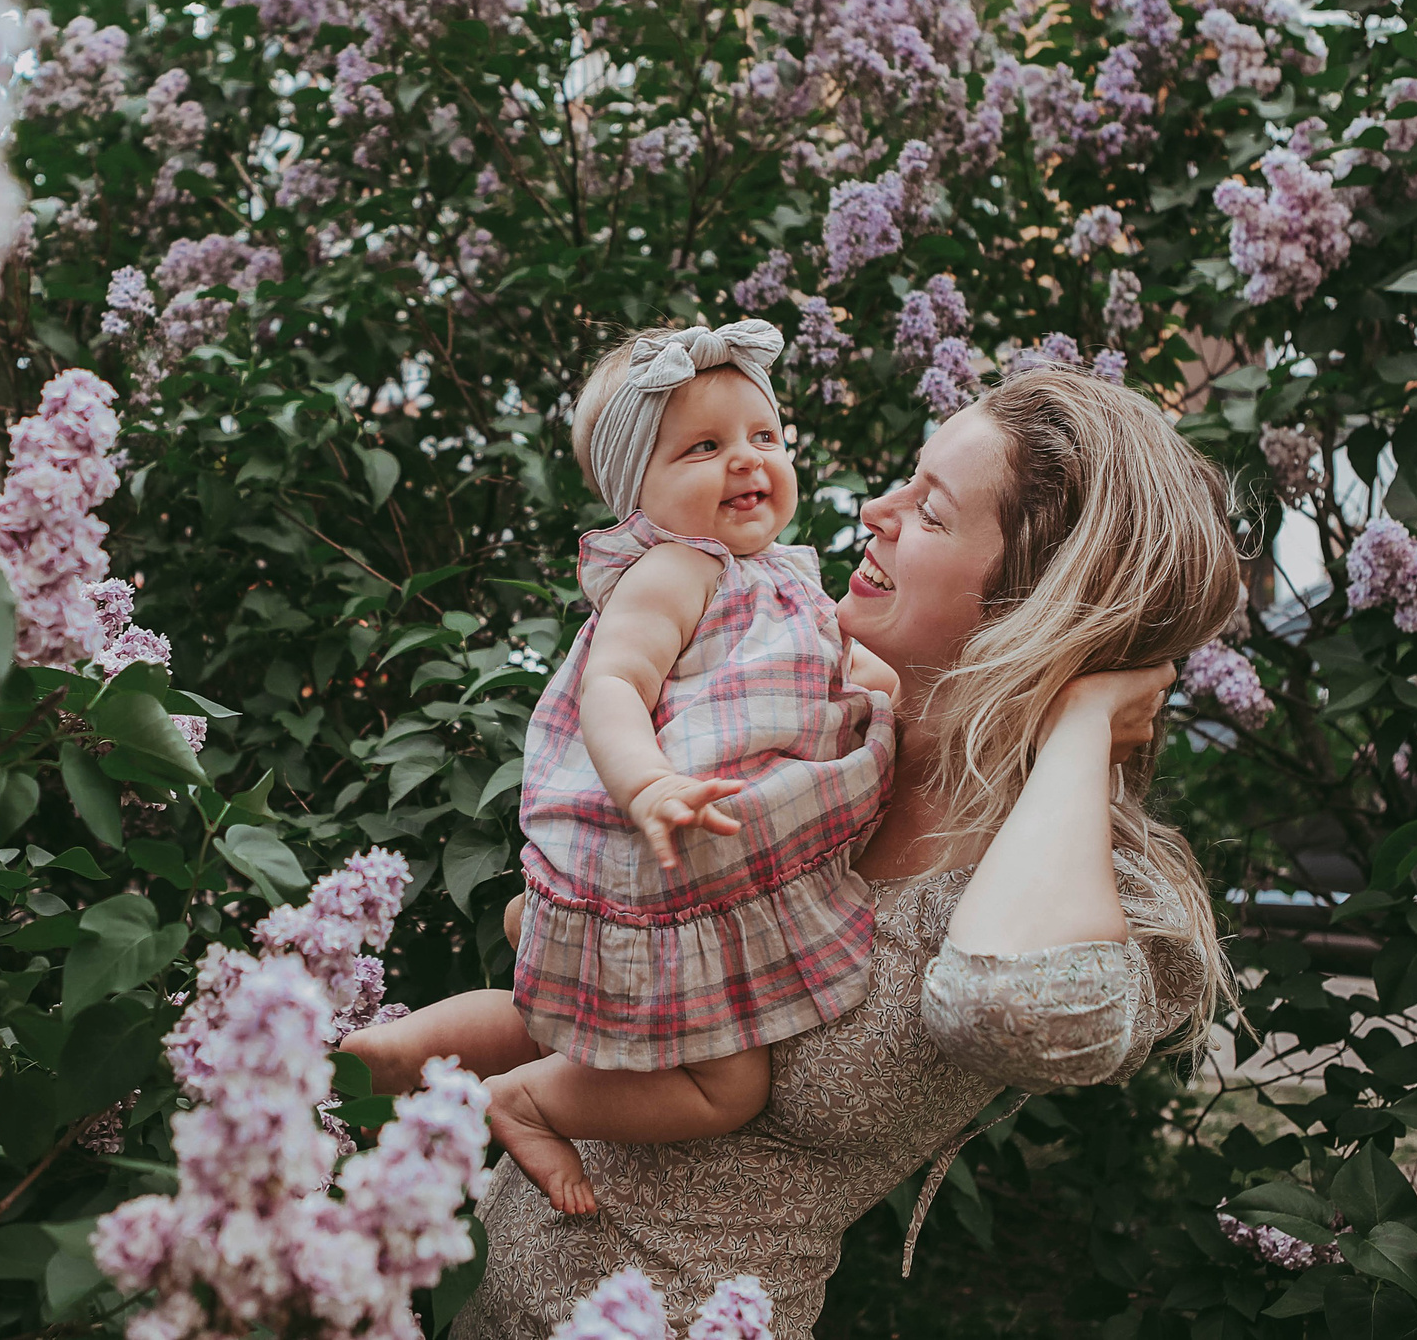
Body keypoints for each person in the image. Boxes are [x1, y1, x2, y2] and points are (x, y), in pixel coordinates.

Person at [450, 363, 1241, 1340]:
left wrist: (1081, 717)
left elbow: (1019, 1007)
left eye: (931, 510)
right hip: (484, 1298)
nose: (875, 509)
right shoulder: (806, 716)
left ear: (1034, 600)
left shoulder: (1089, 881)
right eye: (903, 479)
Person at [346, 322, 897, 1214]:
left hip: (719, 861)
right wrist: (646, 785)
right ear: (635, 493)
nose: (747, 461)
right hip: (676, 866)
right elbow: (612, 684)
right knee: (727, 1088)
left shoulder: (780, 574)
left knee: (566, 1022)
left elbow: (811, 671)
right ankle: (519, 1100)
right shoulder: (674, 570)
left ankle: (409, 1048)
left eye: (764, 437)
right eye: (705, 447)